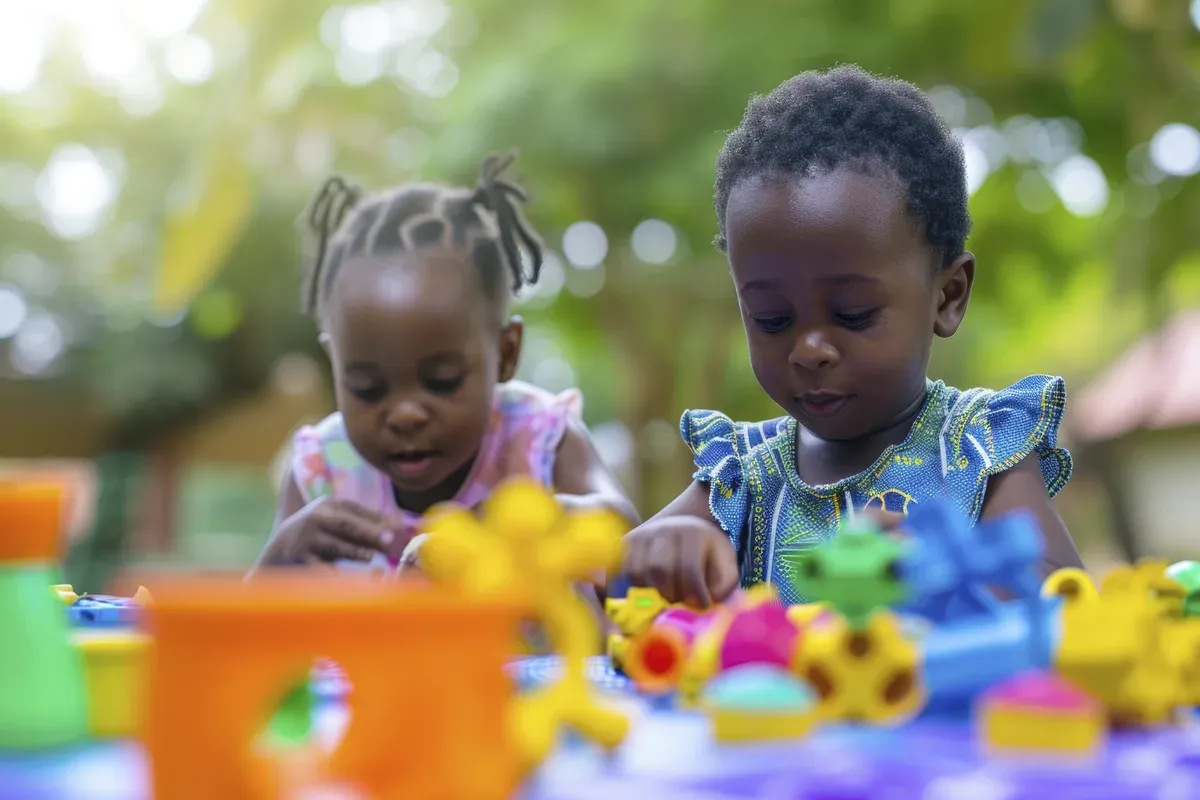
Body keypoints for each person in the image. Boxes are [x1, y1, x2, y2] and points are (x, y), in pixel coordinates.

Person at [620, 66, 1084, 608]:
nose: (808, 350)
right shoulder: (742, 480)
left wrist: (947, 571)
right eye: (771, 318)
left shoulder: (979, 449)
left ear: (948, 295)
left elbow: (1061, 596)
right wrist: (663, 551)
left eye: (853, 312)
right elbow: (609, 573)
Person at [253, 153, 637, 580]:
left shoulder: (538, 439)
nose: (405, 413)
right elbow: (247, 632)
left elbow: (621, 528)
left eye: (442, 381)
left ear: (506, 354)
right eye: (367, 387)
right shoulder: (321, 470)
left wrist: (524, 518)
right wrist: (279, 558)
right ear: (335, 365)